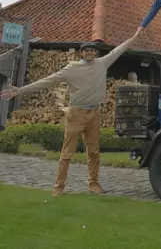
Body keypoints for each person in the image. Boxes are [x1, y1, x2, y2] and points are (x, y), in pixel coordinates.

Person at [0, 28, 143, 196]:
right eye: (87, 50)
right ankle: (58, 187)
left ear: (96, 54)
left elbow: (119, 49)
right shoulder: (71, 69)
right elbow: (48, 81)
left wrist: (134, 36)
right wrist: (21, 90)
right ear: (81, 53)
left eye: (92, 50)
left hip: (94, 114)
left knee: (94, 152)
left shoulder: (102, 63)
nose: (90, 53)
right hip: (76, 114)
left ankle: (93, 184)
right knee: (67, 152)